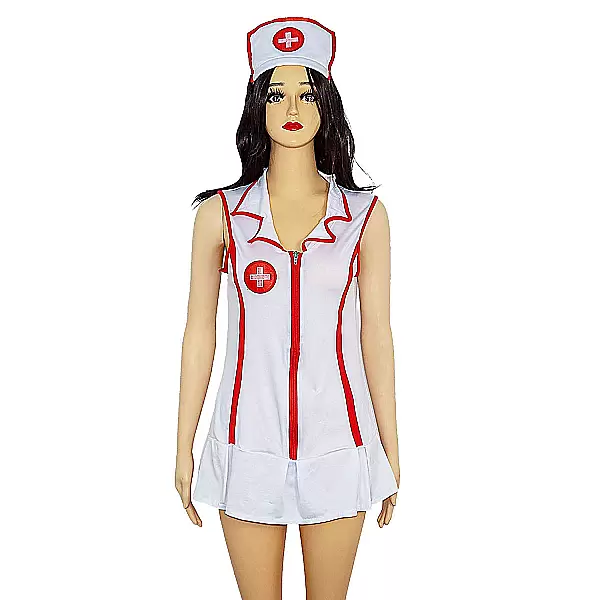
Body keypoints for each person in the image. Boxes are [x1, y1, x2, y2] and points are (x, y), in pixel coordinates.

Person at [175, 16, 400, 599]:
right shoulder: (221, 216)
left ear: (327, 104)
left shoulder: (364, 217)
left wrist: (390, 451)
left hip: (340, 445)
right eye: (277, 94)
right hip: (245, 445)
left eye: (308, 93)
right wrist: (183, 446)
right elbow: (199, 333)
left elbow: (377, 337)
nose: (293, 108)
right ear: (258, 106)